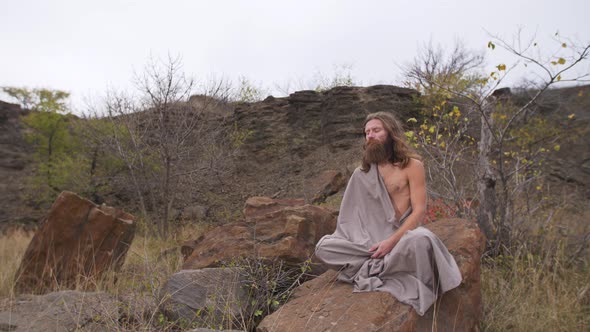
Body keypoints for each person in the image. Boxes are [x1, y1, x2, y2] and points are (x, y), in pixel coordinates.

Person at [315, 111, 462, 316]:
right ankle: (381, 265)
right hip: (368, 243)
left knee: (423, 239)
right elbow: (350, 217)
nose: (371, 136)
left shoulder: (412, 165)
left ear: (390, 132)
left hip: (400, 239)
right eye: (367, 133)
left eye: (376, 130)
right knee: (324, 247)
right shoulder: (362, 173)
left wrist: (391, 242)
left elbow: (419, 210)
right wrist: (365, 240)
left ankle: (374, 267)